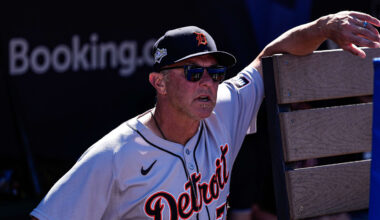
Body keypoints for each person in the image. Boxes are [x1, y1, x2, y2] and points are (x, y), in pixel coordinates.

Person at [30, 11, 380, 220]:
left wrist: (322, 27)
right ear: (160, 83)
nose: (208, 83)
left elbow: (269, 55)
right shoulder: (113, 156)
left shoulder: (223, 108)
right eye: (193, 73)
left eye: (214, 73)